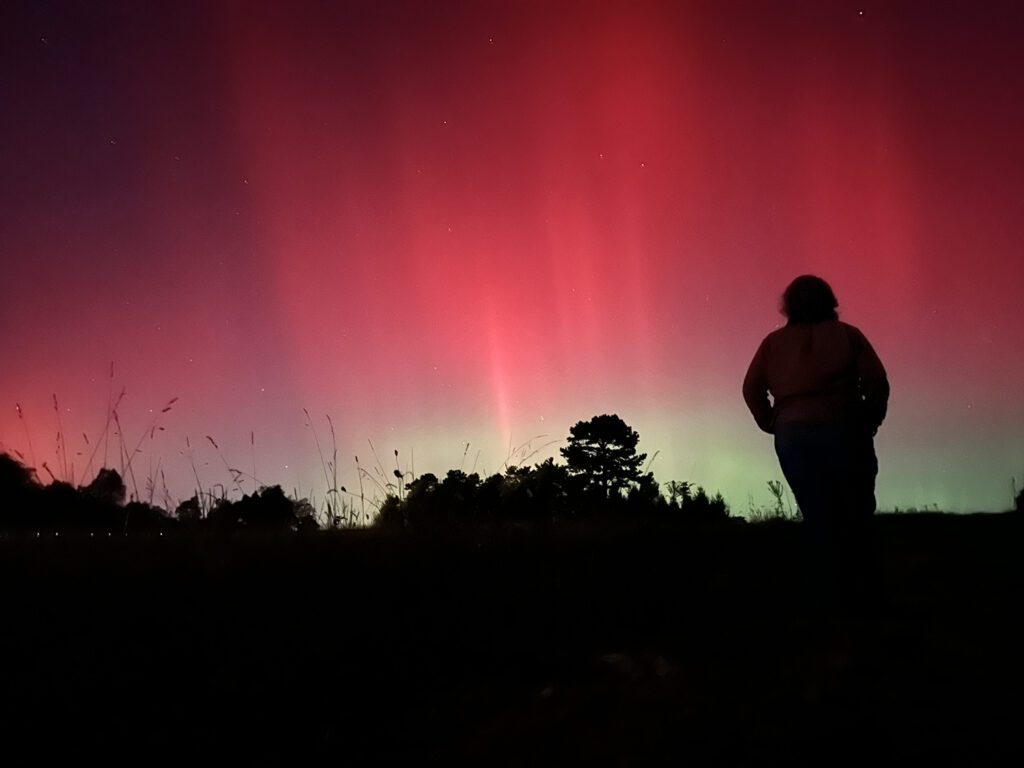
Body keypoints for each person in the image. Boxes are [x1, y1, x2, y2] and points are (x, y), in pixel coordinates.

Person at [743, 275, 889, 613]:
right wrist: (870, 418)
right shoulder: (848, 336)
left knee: (817, 511)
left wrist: (771, 421)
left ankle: (824, 595)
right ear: (830, 301)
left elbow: (751, 388)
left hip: (793, 433)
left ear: (789, 304)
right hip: (844, 426)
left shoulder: (772, 343)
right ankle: (862, 594)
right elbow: (876, 381)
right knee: (856, 509)